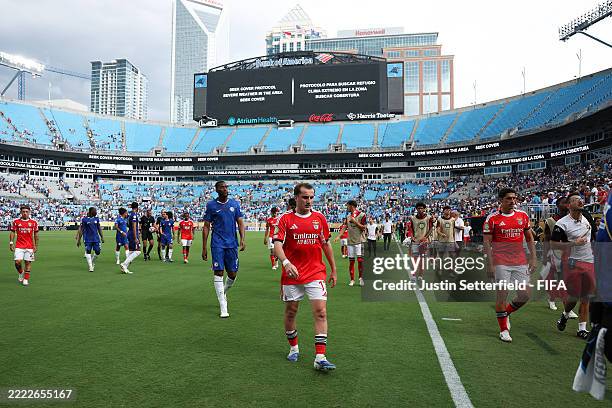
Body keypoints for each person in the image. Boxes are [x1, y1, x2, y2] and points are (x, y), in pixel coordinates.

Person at [273, 182, 337, 371]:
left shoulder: (320, 218)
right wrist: (286, 262)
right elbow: (277, 244)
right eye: (305, 197)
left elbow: (326, 244)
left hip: (315, 272)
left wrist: (333, 269)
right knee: (291, 312)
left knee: (321, 312)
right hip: (292, 273)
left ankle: (320, 357)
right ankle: (294, 348)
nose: (309, 201)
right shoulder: (285, 219)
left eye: (311, 197)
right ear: (296, 198)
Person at [484, 188, 536, 343]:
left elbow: (529, 238)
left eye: (514, 198)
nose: (513, 201)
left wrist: (533, 258)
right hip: (500, 261)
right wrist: (490, 264)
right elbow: (487, 242)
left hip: (520, 260)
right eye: (508, 199)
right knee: (502, 295)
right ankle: (503, 330)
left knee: (525, 295)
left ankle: (506, 313)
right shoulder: (492, 219)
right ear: (501, 200)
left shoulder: (522, 216)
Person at [552, 192, 595, 339]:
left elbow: (593, 236)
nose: (580, 201)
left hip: (589, 261)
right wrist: (573, 243)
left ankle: (582, 329)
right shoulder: (562, 224)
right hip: (572, 262)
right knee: (574, 296)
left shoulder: (588, 218)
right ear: (569, 205)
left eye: (581, 199)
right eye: (576, 200)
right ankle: (565, 315)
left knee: (586, 296)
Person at [202, 181, 246, 318]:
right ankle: (223, 306)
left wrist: (243, 239)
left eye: (226, 187)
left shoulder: (234, 204)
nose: (225, 189)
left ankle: (223, 292)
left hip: (232, 244)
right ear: (216, 190)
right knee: (219, 272)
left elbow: (240, 222)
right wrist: (204, 247)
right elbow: (206, 226)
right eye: (222, 187)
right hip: (217, 243)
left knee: (232, 274)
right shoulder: (211, 205)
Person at [335, 200, 366, 287]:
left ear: (352, 206)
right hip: (350, 242)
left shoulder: (362, 215)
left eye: (348, 206)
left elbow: (363, 228)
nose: (347, 208)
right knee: (351, 261)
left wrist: (355, 221)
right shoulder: (348, 216)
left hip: (359, 241)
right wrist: (338, 236)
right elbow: (344, 227)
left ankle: (361, 278)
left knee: (360, 261)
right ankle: (352, 279)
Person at [9, 204, 39, 286]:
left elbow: (36, 235)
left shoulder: (34, 222)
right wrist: (11, 242)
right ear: (21, 212)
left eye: (26, 212)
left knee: (28, 263)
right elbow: (12, 232)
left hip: (29, 246)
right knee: (17, 262)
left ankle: (26, 279)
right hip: (19, 246)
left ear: (29, 212)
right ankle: (21, 272)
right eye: (23, 212)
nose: (25, 213)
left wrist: (36, 245)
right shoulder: (16, 222)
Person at [408, 202, 434, 280]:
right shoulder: (413, 218)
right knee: (414, 258)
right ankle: (414, 274)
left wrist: (425, 237)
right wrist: (412, 236)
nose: (420, 209)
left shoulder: (428, 218)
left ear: (424, 209)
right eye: (418, 208)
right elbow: (411, 228)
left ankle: (420, 274)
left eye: (422, 208)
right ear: (416, 209)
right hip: (415, 241)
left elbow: (431, 228)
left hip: (424, 242)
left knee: (422, 259)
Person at [76, 207, 104, 272]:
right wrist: (79, 240)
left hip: (96, 239)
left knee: (98, 252)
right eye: (95, 211)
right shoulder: (84, 219)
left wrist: (102, 237)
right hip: (87, 239)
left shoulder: (96, 219)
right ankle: (90, 266)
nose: (96, 212)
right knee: (88, 251)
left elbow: (99, 228)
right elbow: (82, 230)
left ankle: (92, 262)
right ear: (91, 211)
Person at [120, 202, 141, 274]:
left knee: (131, 251)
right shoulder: (134, 215)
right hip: (133, 234)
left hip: (129, 233)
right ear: (137, 207)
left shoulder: (129, 215)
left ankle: (125, 267)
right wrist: (135, 237)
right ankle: (124, 264)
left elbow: (128, 224)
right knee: (138, 251)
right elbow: (134, 226)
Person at [437, 206, 456, 277]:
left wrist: (455, 240)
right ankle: (440, 270)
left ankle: (450, 271)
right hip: (442, 241)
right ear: (443, 211)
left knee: (452, 256)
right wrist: (441, 234)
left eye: (449, 210)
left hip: (450, 241)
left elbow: (453, 230)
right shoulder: (440, 219)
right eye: (447, 210)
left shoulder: (453, 220)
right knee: (441, 256)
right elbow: (438, 230)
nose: (448, 211)